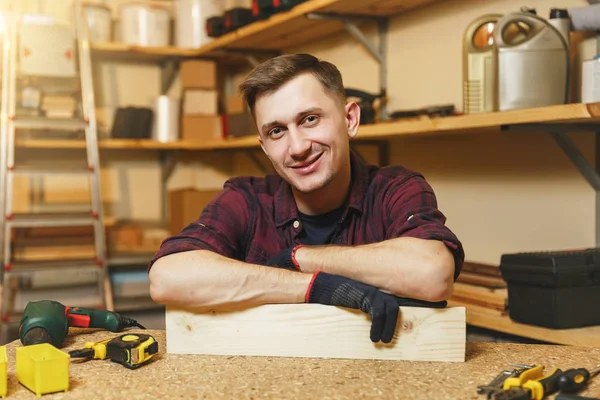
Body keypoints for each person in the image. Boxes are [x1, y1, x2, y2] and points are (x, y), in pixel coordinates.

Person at [149, 53, 464, 344]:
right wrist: (315, 287)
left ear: (350, 119)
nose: (297, 147)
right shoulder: (247, 199)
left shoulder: (395, 189)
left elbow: (433, 273)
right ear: (264, 145)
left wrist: (301, 258)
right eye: (276, 132)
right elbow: (168, 277)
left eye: (310, 119)